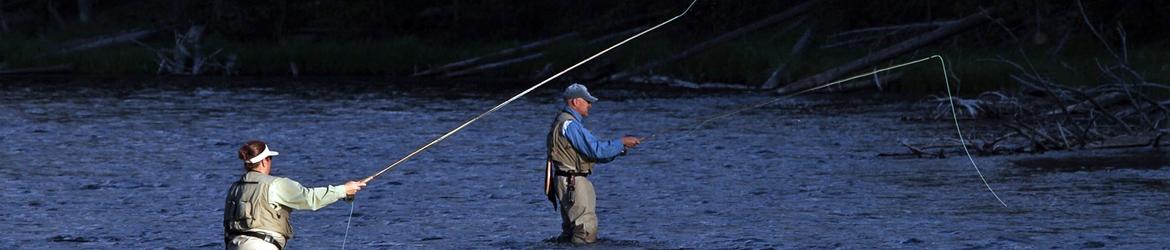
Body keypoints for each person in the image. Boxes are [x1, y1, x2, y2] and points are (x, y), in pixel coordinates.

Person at [223, 140, 365, 250]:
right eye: (270, 159)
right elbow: (310, 198)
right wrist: (343, 190)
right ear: (264, 161)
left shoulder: (234, 188)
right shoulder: (276, 184)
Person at [544, 83, 640, 244]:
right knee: (585, 230)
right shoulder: (570, 125)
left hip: (568, 180)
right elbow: (596, 150)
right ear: (575, 102)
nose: (590, 105)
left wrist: (620, 147)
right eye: (587, 101)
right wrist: (621, 142)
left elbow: (593, 154)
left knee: (571, 232)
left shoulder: (565, 122)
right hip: (572, 182)